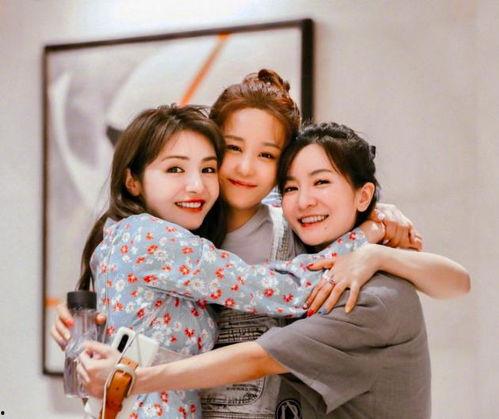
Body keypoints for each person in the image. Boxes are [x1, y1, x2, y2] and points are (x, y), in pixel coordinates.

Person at [53, 70, 468, 418]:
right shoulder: (180, 231)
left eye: (267, 156)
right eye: (232, 148)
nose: (246, 168)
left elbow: (449, 284)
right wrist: (84, 335)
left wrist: (375, 234)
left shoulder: (300, 228)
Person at [71, 105, 383, 418]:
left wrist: (373, 209)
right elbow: (284, 290)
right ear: (132, 181)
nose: (196, 185)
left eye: (208, 169)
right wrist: (366, 234)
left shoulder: (123, 234)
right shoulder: (151, 237)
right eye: (175, 169)